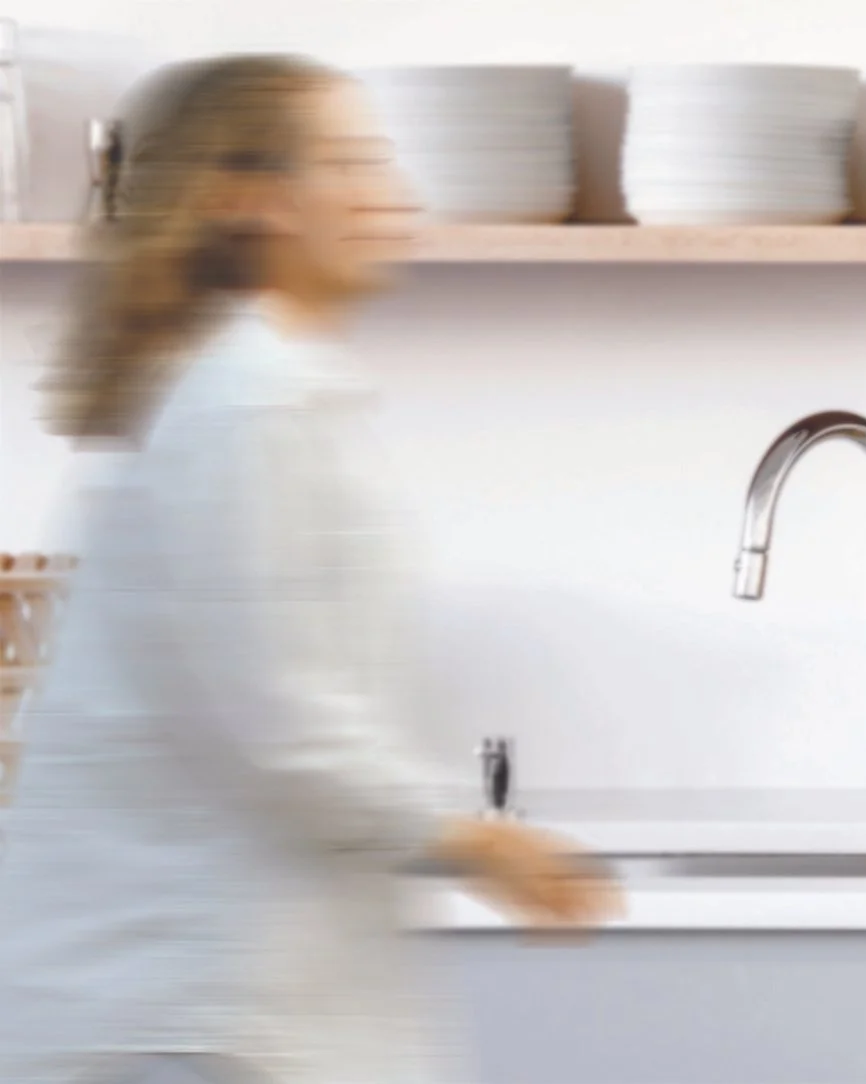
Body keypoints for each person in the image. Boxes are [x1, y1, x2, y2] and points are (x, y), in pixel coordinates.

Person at [0, 55, 620, 1083]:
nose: (394, 192)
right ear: (251, 200)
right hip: (177, 1014)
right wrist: (480, 843)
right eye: (349, 160)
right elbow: (280, 722)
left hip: (202, 1007)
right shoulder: (248, 406)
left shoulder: (253, 393)